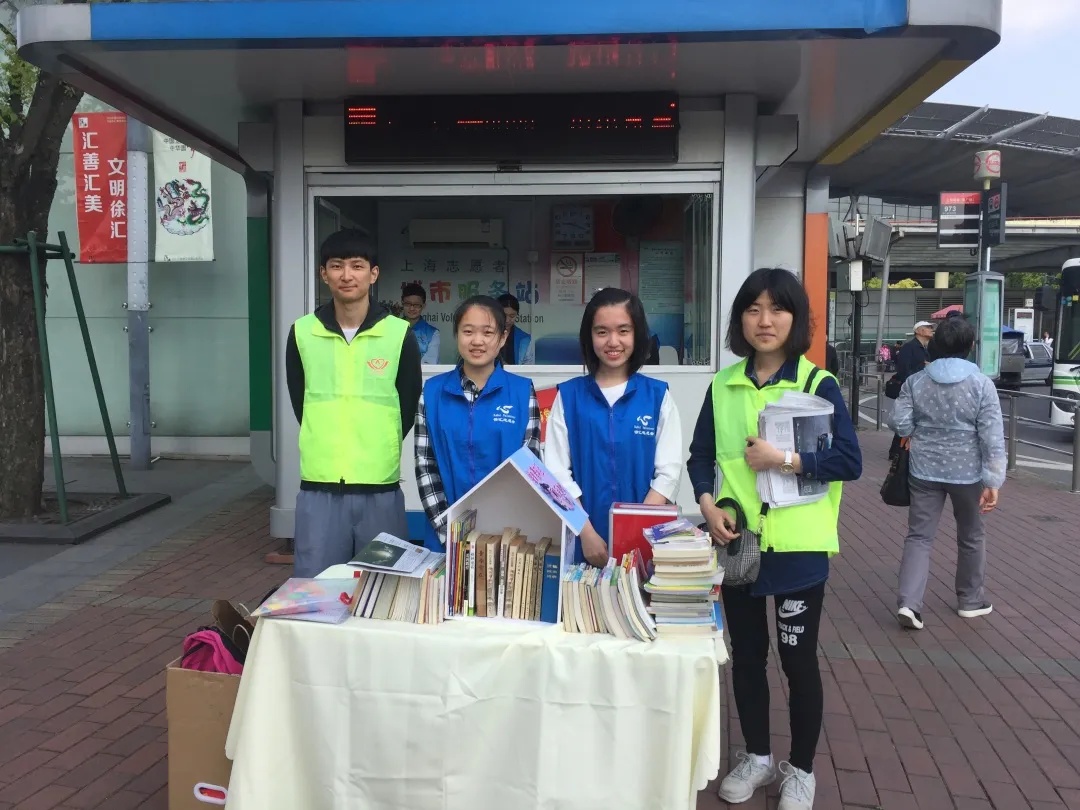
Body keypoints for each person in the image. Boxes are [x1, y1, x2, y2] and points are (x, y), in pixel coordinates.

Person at [687, 268, 862, 810]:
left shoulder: (816, 384)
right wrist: (707, 505)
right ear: (740, 319)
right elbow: (700, 456)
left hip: (798, 550)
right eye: (753, 309)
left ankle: (801, 770)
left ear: (796, 319)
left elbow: (849, 461)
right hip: (739, 546)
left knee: (797, 660)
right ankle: (758, 757)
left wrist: (784, 458)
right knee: (746, 657)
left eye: (777, 309)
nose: (765, 320)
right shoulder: (722, 385)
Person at [286, 229, 422, 577]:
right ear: (323, 273)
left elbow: (407, 404)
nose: (347, 275)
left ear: (373, 274)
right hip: (319, 485)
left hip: (380, 485)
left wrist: (381, 444)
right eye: (337, 266)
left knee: (383, 588)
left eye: (357, 266)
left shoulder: (398, 334)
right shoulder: (302, 333)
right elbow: (300, 402)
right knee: (317, 588)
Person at [545, 288, 682, 567]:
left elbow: (668, 472)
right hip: (583, 541)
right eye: (602, 332)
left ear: (637, 334)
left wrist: (635, 530)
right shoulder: (568, 396)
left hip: (643, 541)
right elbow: (556, 473)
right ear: (589, 336)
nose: (613, 341)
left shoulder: (657, 396)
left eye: (623, 330)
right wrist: (585, 533)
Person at [889, 316, 1005, 630]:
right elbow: (992, 437)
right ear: (970, 346)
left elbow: (899, 422)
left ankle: (909, 603)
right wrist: (993, 480)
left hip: (924, 468)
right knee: (971, 535)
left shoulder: (916, 382)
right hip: (968, 473)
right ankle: (970, 600)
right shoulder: (981, 384)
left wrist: (915, 431)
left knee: (919, 536)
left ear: (936, 345)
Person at [414, 295, 541, 550]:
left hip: (508, 542)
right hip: (445, 541)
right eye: (468, 331)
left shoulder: (521, 391)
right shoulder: (432, 392)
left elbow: (530, 467)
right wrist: (449, 533)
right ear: (457, 335)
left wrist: (504, 538)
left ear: (503, 338)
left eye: (487, 332)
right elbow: (425, 465)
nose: (477, 340)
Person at [889, 321, 934, 459]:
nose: (931, 329)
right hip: (911, 389)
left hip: (923, 389)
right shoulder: (909, 347)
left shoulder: (926, 347)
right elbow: (903, 370)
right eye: (928, 327)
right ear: (919, 331)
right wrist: (923, 367)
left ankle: (899, 449)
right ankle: (896, 451)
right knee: (907, 418)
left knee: (913, 419)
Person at [401, 282, 441, 364]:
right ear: (402, 303)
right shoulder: (392, 329)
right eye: (408, 304)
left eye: (416, 305)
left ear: (423, 305)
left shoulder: (433, 333)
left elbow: (430, 363)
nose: (412, 308)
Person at [497, 293, 534, 364]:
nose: (507, 320)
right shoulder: (486, 335)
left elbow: (528, 366)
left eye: (512, 316)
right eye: (504, 315)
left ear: (517, 314)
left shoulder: (525, 339)